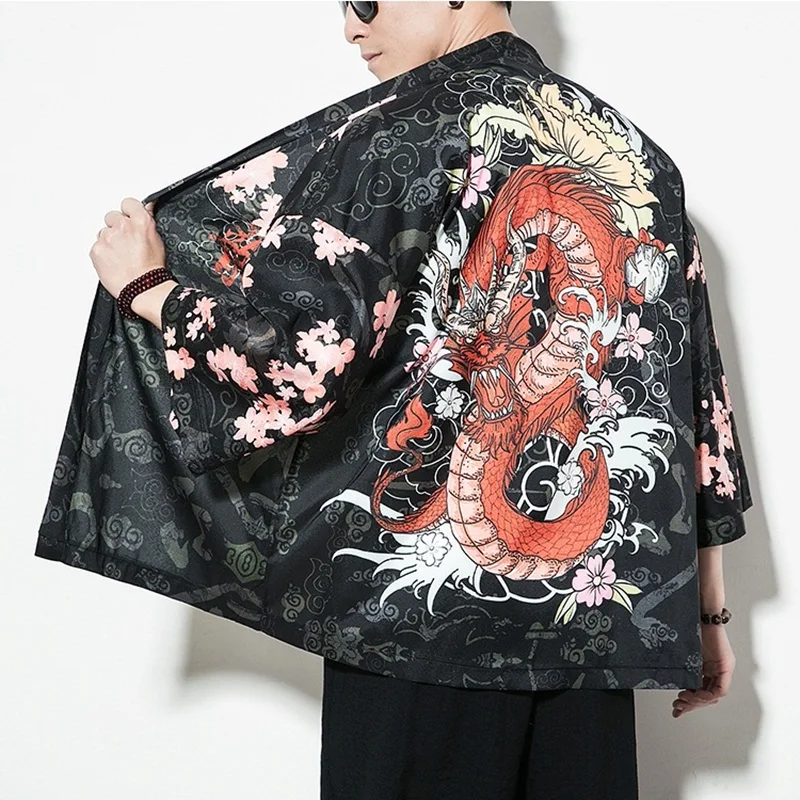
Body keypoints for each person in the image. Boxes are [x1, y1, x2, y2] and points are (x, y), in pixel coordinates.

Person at [37, 2, 753, 798]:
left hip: (417, 628)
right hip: (593, 636)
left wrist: (151, 289)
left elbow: (302, 360)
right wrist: (704, 615)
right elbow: (694, 405)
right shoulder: (642, 160)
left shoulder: (393, 137)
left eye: (368, 1)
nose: (351, 27)